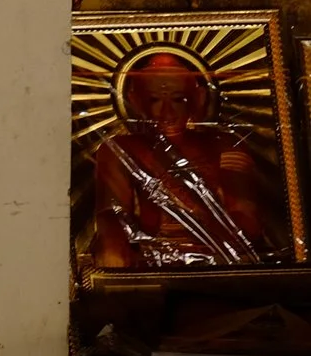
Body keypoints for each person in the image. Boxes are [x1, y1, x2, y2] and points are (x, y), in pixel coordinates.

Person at [91, 51, 282, 268]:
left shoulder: (224, 145)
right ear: (136, 101)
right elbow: (112, 218)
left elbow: (247, 221)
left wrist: (205, 215)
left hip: (218, 261)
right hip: (152, 261)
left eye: (178, 99)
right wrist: (115, 255)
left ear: (197, 99)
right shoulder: (120, 149)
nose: (167, 111)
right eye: (154, 100)